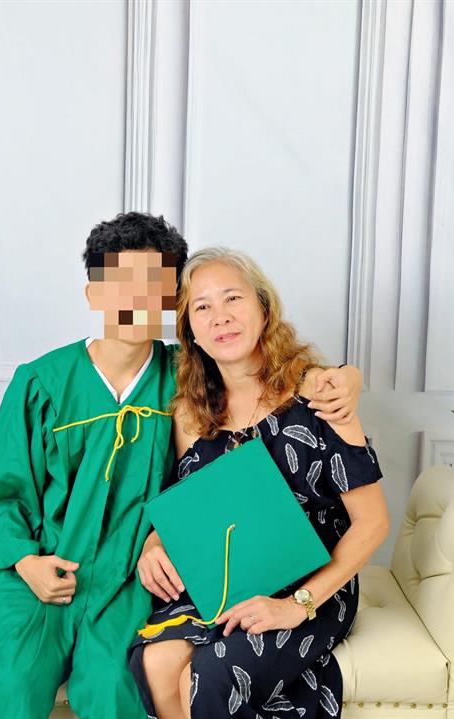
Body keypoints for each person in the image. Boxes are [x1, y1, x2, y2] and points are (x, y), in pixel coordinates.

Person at [0, 214, 365, 718]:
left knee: (115, 683)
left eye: (152, 286)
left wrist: (345, 377)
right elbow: (1, 493)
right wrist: (26, 562)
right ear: (93, 294)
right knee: (13, 679)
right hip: (44, 566)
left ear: (171, 301)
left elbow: (272, 374)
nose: (136, 299)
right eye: (120, 284)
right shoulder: (42, 382)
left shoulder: (187, 374)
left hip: (128, 574)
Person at [130, 247, 390, 719]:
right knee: (155, 660)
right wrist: (153, 543)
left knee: (211, 674)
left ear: (264, 309)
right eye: (202, 307)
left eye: (233, 298)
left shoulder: (320, 395)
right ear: (190, 330)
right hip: (223, 576)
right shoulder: (190, 412)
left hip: (310, 583)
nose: (220, 317)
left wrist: (296, 605)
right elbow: (185, 507)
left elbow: (373, 523)